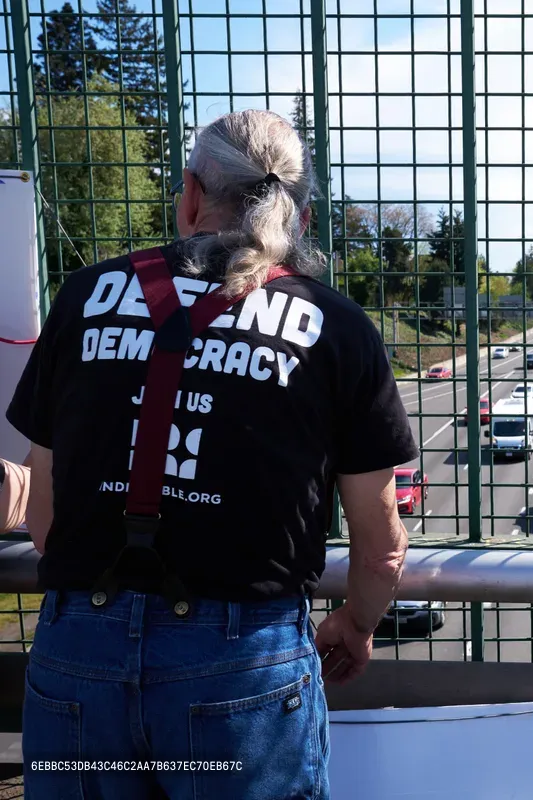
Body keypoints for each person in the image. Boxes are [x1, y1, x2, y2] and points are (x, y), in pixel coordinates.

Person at [7, 109, 418, 799]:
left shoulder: (82, 299)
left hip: (77, 652)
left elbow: (45, 514)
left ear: (192, 195)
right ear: (301, 217)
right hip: (241, 668)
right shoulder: (336, 327)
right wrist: (355, 622)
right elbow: (380, 551)